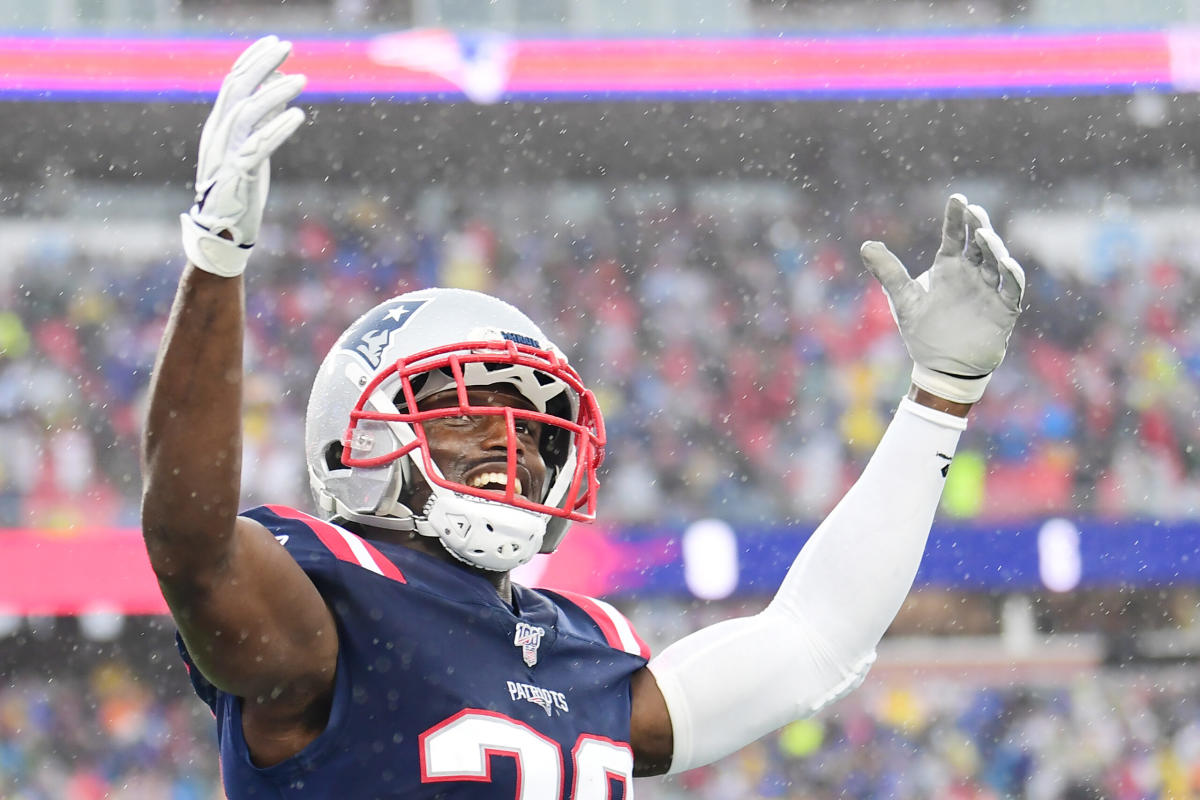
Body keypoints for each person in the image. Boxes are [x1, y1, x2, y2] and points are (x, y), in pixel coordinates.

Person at [141, 37, 1026, 798]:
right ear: (361, 438)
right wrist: (216, 256)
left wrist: (939, 396)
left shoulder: (577, 651)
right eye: (467, 409)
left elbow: (815, 641)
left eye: (533, 426)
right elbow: (191, 545)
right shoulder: (334, 602)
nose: (510, 441)